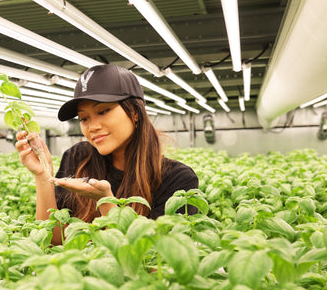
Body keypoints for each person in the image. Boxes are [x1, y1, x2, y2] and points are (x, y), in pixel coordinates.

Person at [15, 64, 198, 244]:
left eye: (103, 111)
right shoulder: (77, 157)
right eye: (84, 118)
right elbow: (54, 240)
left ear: (134, 112)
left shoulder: (178, 179)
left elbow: (153, 263)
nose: (92, 126)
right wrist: (41, 174)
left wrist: (105, 201)